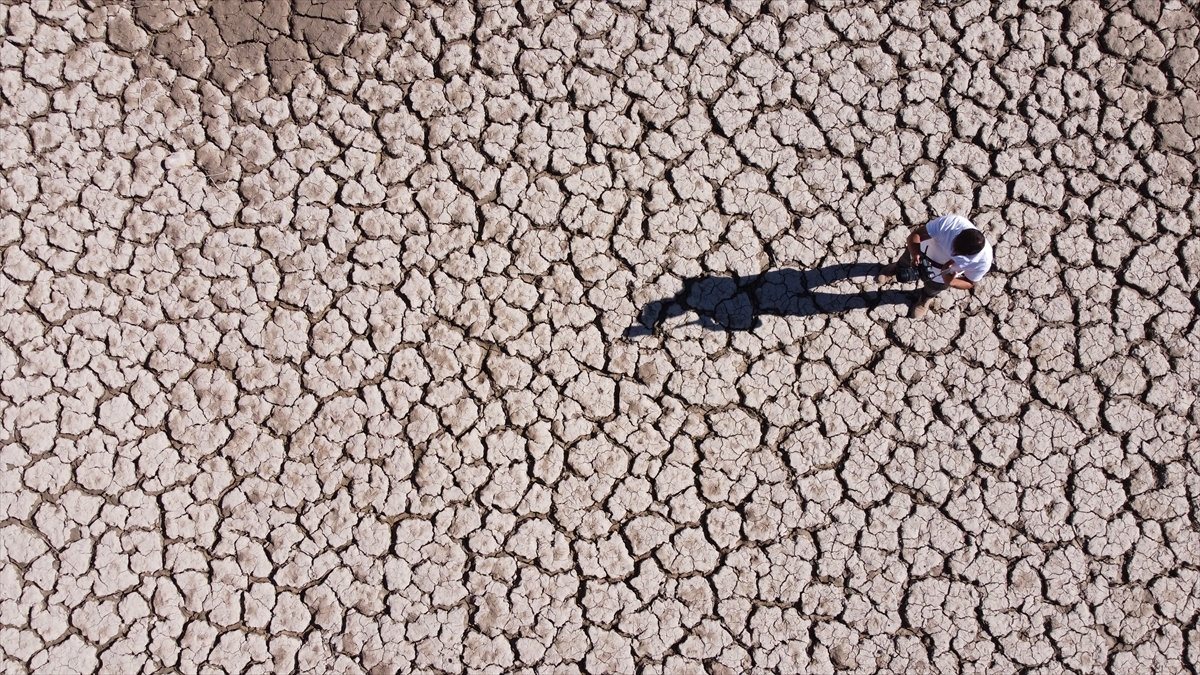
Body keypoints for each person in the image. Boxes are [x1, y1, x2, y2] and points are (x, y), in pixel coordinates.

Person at [876, 214, 993, 319]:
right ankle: (895, 269)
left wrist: (950, 282)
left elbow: (969, 282)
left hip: (941, 277)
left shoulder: (984, 260)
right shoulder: (952, 224)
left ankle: (924, 300)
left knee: (932, 289)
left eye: (958, 253)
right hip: (919, 253)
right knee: (904, 263)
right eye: (954, 245)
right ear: (959, 233)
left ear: (970, 255)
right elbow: (916, 235)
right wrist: (916, 253)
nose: (953, 251)